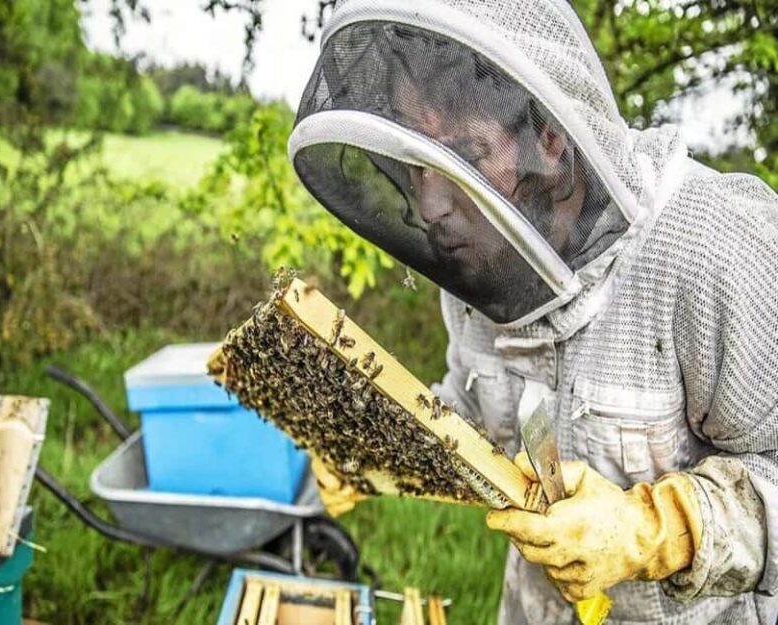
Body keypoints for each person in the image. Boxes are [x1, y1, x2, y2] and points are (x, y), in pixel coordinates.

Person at [289, 1, 778, 623]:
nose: (433, 203)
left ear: (548, 139)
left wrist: (655, 531)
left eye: (464, 155)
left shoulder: (711, 248)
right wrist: (370, 452)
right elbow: (472, 411)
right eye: (419, 164)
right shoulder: (476, 254)